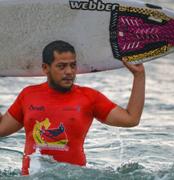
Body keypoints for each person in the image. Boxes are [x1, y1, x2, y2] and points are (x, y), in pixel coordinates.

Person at [0, 40, 145, 175]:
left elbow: (131, 119)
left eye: (73, 65)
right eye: (61, 66)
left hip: (73, 176)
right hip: (31, 177)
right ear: (45, 68)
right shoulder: (28, 95)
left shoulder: (89, 98)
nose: (69, 71)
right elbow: (1, 129)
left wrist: (139, 76)